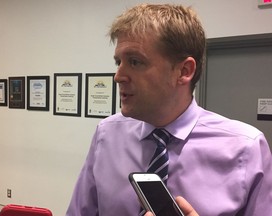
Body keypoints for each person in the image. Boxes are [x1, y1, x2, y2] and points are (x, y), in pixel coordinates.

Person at [66, 3, 272, 216]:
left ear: (184, 71)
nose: (118, 76)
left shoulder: (246, 149)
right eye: (119, 62)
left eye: (135, 62)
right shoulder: (107, 135)